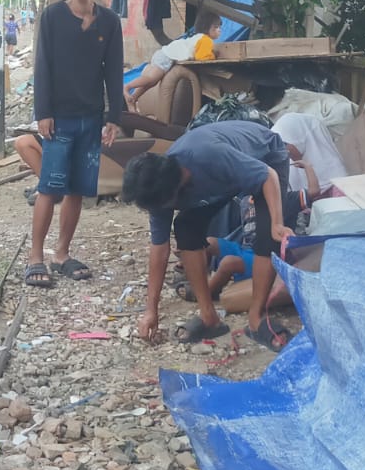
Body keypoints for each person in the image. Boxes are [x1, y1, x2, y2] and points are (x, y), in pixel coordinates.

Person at [122, 120, 294, 348]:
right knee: (186, 227)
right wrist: (150, 310)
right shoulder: (159, 186)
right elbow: (159, 249)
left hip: (266, 159)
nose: (161, 211)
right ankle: (208, 316)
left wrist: (278, 224)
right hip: (225, 178)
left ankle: (256, 318)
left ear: (175, 189)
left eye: (165, 204)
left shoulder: (208, 157)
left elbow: (267, 175)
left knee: (267, 235)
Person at [26, 0, 124, 289]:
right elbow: (43, 66)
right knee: (49, 189)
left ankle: (62, 254)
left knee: (78, 191)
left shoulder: (109, 21)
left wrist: (114, 117)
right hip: (59, 119)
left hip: (91, 117)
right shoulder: (52, 17)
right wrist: (43, 113)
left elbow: (113, 70)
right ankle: (35, 257)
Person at [124, 12, 223, 107]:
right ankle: (127, 87)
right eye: (216, 27)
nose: (219, 30)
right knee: (151, 79)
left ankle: (134, 98)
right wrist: (214, 55)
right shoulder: (206, 40)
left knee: (151, 82)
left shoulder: (198, 37)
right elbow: (202, 57)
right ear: (206, 28)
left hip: (164, 54)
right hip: (166, 57)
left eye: (219, 27)